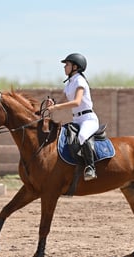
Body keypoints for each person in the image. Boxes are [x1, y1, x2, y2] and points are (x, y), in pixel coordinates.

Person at [47, 53, 99, 181]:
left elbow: (76, 102)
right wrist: (53, 104)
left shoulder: (80, 81)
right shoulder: (70, 82)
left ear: (75, 67)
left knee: (81, 136)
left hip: (88, 119)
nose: (64, 67)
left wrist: (56, 108)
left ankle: (91, 168)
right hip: (76, 119)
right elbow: (63, 99)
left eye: (67, 65)